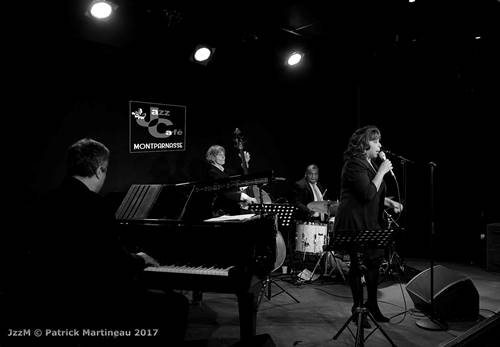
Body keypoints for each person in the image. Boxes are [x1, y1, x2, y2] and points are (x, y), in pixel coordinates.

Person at [24, 138, 189, 345]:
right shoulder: (95, 207)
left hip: (50, 302)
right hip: (96, 303)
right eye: (106, 169)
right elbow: (114, 263)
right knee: (177, 304)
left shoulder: (43, 203)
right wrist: (139, 258)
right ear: (99, 170)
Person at [333, 125, 403, 328]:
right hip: (355, 224)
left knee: (374, 262)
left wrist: (390, 203)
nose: (380, 145)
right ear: (365, 144)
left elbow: (375, 193)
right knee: (358, 265)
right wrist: (382, 170)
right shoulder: (354, 164)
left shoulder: (369, 164)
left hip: (371, 222)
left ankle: (372, 304)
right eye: (376, 141)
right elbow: (366, 193)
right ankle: (357, 310)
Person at [205, 144, 257, 216]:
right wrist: (244, 196)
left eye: (224, 155)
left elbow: (239, 174)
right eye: (220, 155)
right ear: (213, 157)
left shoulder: (224, 170)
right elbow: (223, 191)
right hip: (222, 210)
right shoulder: (212, 172)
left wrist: (245, 163)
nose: (224, 157)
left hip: (232, 207)